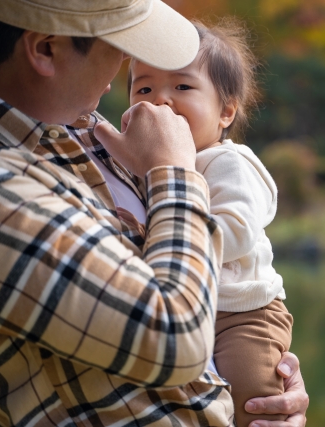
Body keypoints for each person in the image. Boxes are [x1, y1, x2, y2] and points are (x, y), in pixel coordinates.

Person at [0, 1, 308, 426]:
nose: (123, 69)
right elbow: (176, 340)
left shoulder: (60, 116)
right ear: (46, 50)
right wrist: (173, 173)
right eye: (119, 45)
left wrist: (261, 381)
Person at [113, 19, 292, 427]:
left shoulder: (227, 163)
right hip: (185, 315)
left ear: (226, 111)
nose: (161, 100)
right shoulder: (142, 167)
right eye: (143, 89)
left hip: (242, 313)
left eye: (182, 87)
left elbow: (239, 231)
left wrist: (168, 227)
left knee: (251, 402)